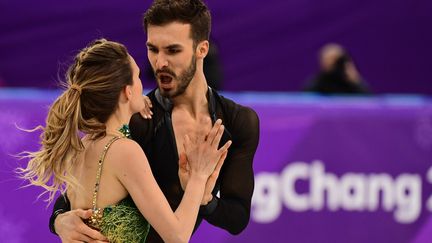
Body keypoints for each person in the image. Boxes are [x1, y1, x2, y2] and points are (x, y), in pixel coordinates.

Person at [50, 0, 260, 242]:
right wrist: (59, 220)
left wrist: (204, 199)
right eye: (153, 49)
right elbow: (82, 193)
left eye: (172, 50)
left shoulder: (238, 121)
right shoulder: (137, 118)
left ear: (202, 49)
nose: (160, 63)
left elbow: (237, 218)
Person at [19, 38, 232, 243]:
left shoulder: (84, 144)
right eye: (138, 77)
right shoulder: (124, 151)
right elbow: (177, 236)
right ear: (127, 92)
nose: (145, 85)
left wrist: (57, 219)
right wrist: (198, 176)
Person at [304, 43, 370, 94]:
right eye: (327, 59)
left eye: (335, 59)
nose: (330, 62)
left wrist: (355, 80)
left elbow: (367, 102)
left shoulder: (351, 82)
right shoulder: (317, 83)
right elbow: (306, 103)